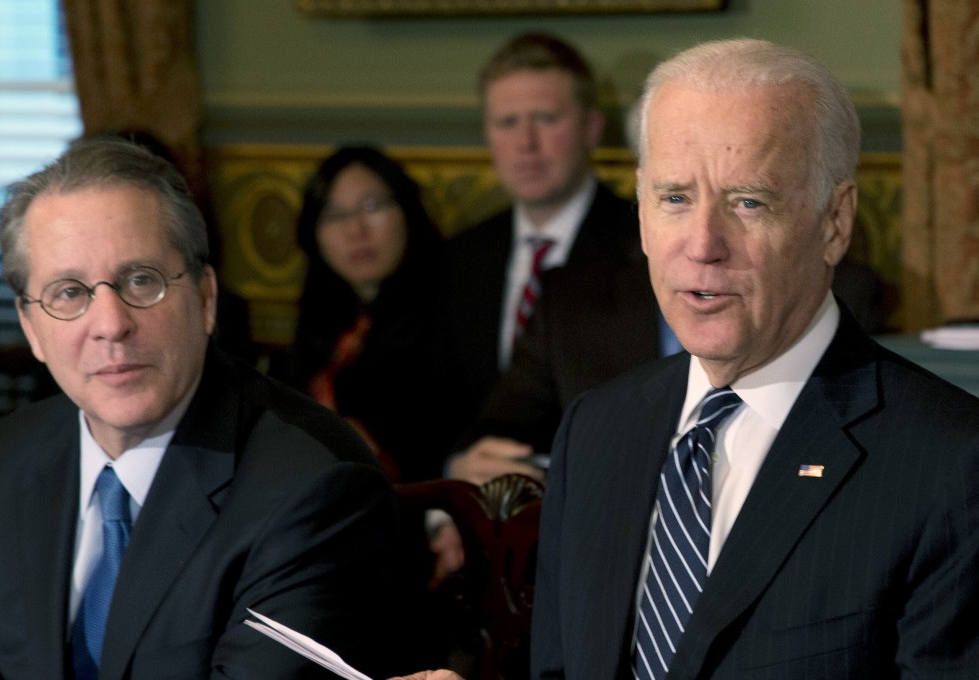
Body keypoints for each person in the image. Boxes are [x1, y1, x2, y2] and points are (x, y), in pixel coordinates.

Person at [529, 38, 979, 678]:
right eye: (675, 198)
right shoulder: (595, 429)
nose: (704, 245)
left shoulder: (950, 467)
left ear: (835, 221)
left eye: (748, 201)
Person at [0, 137, 404, 679]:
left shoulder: (315, 492)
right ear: (31, 326)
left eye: (140, 281)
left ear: (205, 297)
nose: (110, 325)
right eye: (69, 292)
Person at [441, 31, 659, 483]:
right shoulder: (458, 257)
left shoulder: (645, 246)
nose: (525, 143)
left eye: (545, 119)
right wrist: (455, 479)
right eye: (507, 123)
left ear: (591, 128)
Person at [269, 146, 454, 483]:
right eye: (334, 215)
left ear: (407, 210)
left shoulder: (453, 310)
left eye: (371, 207)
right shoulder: (321, 318)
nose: (355, 231)